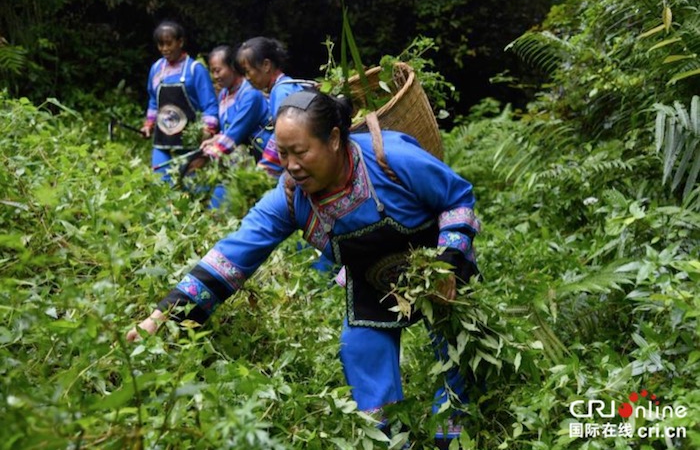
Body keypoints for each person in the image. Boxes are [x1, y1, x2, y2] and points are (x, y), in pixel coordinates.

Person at [127, 90, 481, 448]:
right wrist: (162, 315)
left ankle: (451, 437)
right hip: (372, 284)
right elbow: (231, 258)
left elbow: (457, 198)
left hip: (438, 268)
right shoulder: (290, 198)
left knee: (454, 352)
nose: (291, 165)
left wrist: (447, 263)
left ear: (334, 140)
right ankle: (391, 441)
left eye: (301, 152)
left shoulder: (391, 159)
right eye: (283, 154)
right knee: (359, 350)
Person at [140, 20, 219, 182]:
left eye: (169, 44)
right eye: (160, 44)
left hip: (190, 144)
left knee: (191, 188)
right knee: (161, 185)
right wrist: (148, 125)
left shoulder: (195, 69)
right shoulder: (156, 69)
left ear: (180, 42)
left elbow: (210, 105)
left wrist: (208, 130)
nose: (164, 49)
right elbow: (154, 101)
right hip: (162, 140)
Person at [198, 45, 272, 208]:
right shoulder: (224, 94)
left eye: (218, 70)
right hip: (237, 155)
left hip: (261, 157)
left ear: (232, 67)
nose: (214, 76)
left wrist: (205, 155)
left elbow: (236, 132)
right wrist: (214, 140)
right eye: (212, 71)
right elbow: (227, 130)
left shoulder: (250, 94)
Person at [236, 36, 314, 178]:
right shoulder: (283, 87)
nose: (247, 78)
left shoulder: (281, 91)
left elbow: (282, 134)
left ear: (266, 65)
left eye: (248, 71)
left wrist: (263, 170)